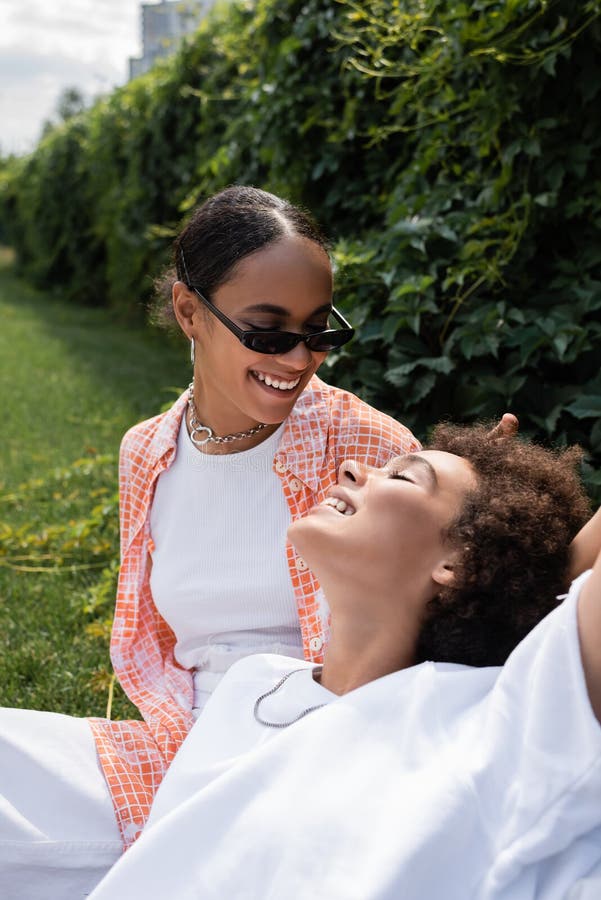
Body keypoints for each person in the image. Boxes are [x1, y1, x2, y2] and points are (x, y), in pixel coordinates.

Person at [2, 185, 431, 900]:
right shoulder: (146, 453)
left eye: (318, 332)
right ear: (188, 312)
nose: (297, 360)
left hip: (312, 760)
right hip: (178, 749)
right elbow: (160, 650)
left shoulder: (367, 445)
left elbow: (428, 636)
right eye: (267, 333)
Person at [87, 424, 601, 900]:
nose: (354, 468)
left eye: (401, 475)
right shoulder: (255, 683)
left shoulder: (487, 719)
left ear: (458, 560)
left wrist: (522, 555)